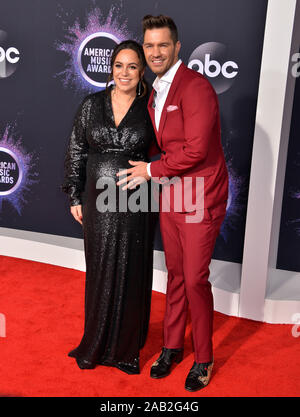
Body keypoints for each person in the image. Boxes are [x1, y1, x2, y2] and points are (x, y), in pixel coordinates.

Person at [116, 15, 228, 390]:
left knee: (195, 278)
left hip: (200, 193)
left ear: (177, 47)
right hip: (172, 193)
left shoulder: (195, 88)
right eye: (149, 46)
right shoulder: (156, 90)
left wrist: (150, 170)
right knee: (177, 275)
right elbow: (163, 141)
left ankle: (205, 358)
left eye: (163, 45)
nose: (155, 52)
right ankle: (172, 346)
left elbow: (196, 149)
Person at [62, 40, 157, 375]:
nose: (125, 73)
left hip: (137, 197)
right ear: (111, 68)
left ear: (142, 71)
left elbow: (168, 150)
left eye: (132, 66)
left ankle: (126, 348)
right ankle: (97, 340)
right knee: (101, 266)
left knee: (132, 266)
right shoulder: (91, 105)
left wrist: (152, 174)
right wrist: (74, 194)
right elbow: (76, 150)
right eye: (119, 65)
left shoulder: (151, 107)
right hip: (97, 198)